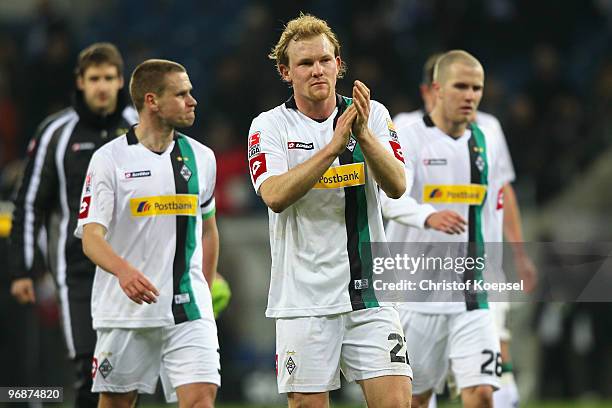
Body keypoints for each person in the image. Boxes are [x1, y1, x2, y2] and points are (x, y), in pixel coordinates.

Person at [248, 14, 412, 408]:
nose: (317, 70)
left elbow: (397, 185)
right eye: (305, 63)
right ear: (286, 72)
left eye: (325, 59)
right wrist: (333, 147)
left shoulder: (371, 114)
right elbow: (273, 194)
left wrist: (364, 138)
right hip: (303, 301)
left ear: (339, 64)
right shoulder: (269, 126)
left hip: (370, 295)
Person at [388, 52, 537, 408]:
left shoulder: (487, 139)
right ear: (437, 89)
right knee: (417, 398)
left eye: (477, 88)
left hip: (473, 295)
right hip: (418, 295)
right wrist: (427, 216)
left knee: (483, 394)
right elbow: (388, 200)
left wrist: (512, 256)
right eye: (461, 87)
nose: (470, 95)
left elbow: (500, 200)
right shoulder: (406, 137)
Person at [75, 59, 220, 407]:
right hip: (126, 311)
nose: (192, 100)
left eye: (191, 92)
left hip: (189, 311)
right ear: (152, 101)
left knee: (201, 399)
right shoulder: (109, 160)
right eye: (181, 93)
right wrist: (123, 272)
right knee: (117, 403)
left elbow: (209, 232)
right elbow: (91, 237)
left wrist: (205, 296)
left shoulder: (201, 157)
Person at [9, 42, 137, 407]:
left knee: (127, 372)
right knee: (89, 366)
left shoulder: (139, 127)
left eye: (109, 78)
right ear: (80, 82)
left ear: (120, 81)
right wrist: (23, 270)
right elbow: (29, 203)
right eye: (94, 78)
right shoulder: (56, 133)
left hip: (128, 267)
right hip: (76, 268)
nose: (101, 86)